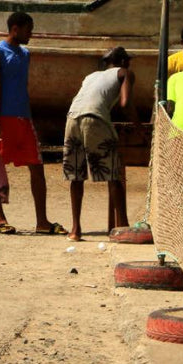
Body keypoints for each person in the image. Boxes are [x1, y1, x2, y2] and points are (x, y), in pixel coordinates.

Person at [0, 11, 67, 236]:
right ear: (15, 29)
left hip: (23, 119)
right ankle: (1, 220)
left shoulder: (26, 54)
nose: (32, 33)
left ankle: (42, 221)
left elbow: (22, 86)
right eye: (29, 29)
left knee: (37, 167)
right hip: (0, 119)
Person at [62, 47, 138, 241]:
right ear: (123, 61)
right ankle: (122, 228)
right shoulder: (125, 73)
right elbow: (125, 103)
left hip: (72, 118)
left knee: (76, 176)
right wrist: (139, 126)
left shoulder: (91, 76)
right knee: (114, 175)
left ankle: (75, 230)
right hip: (94, 119)